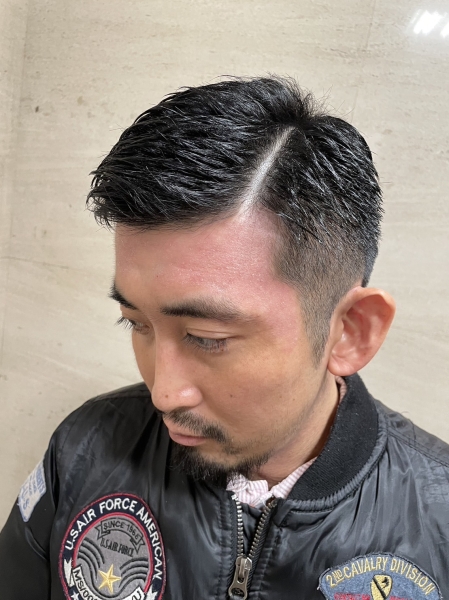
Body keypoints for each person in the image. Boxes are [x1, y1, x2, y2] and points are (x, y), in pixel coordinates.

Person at [0, 76, 447, 600]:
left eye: (206, 337)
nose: (164, 394)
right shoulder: (83, 450)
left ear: (349, 331)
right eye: (136, 323)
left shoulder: (437, 522)